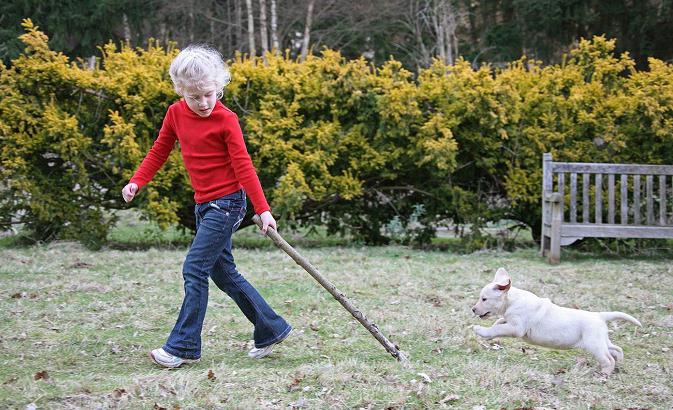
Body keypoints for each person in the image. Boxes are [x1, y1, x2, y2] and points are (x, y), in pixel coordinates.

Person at [121, 44, 292, 368]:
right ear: (181, 90)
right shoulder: (175, 114)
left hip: (228, 204)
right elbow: (159, 150)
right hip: (204, 205)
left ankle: (182, 347)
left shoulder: (227, 120)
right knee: (223, 273)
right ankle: (270, 327)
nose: (203, 103)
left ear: (219, 87)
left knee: (194, 268)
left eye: (209, 94)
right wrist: (137, 181)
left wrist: (263, 208)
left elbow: (243, 166)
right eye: (194, 96)